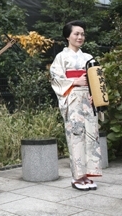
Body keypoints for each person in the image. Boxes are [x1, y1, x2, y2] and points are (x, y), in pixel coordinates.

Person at [49, 20, 102, 191]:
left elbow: (97, 79)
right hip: (72, 99)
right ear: (67, 36)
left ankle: (89, 174)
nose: (80, 37)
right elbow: (55, 79)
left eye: (82, 34)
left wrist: (97, 95)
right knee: (76, 136)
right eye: (76, 34)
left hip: (88, 99)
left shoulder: (88, 58)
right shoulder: (61, 57)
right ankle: (78, 177)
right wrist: (74, 81)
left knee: (91, 137)